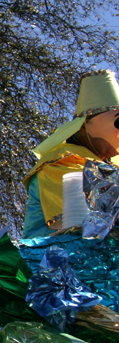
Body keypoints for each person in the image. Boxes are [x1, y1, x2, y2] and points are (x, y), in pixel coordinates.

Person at [23, 70, 119, 238]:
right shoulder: (61, 164)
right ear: (83, 127)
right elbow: (89, 218)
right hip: (54, 259)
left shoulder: (107, 168)